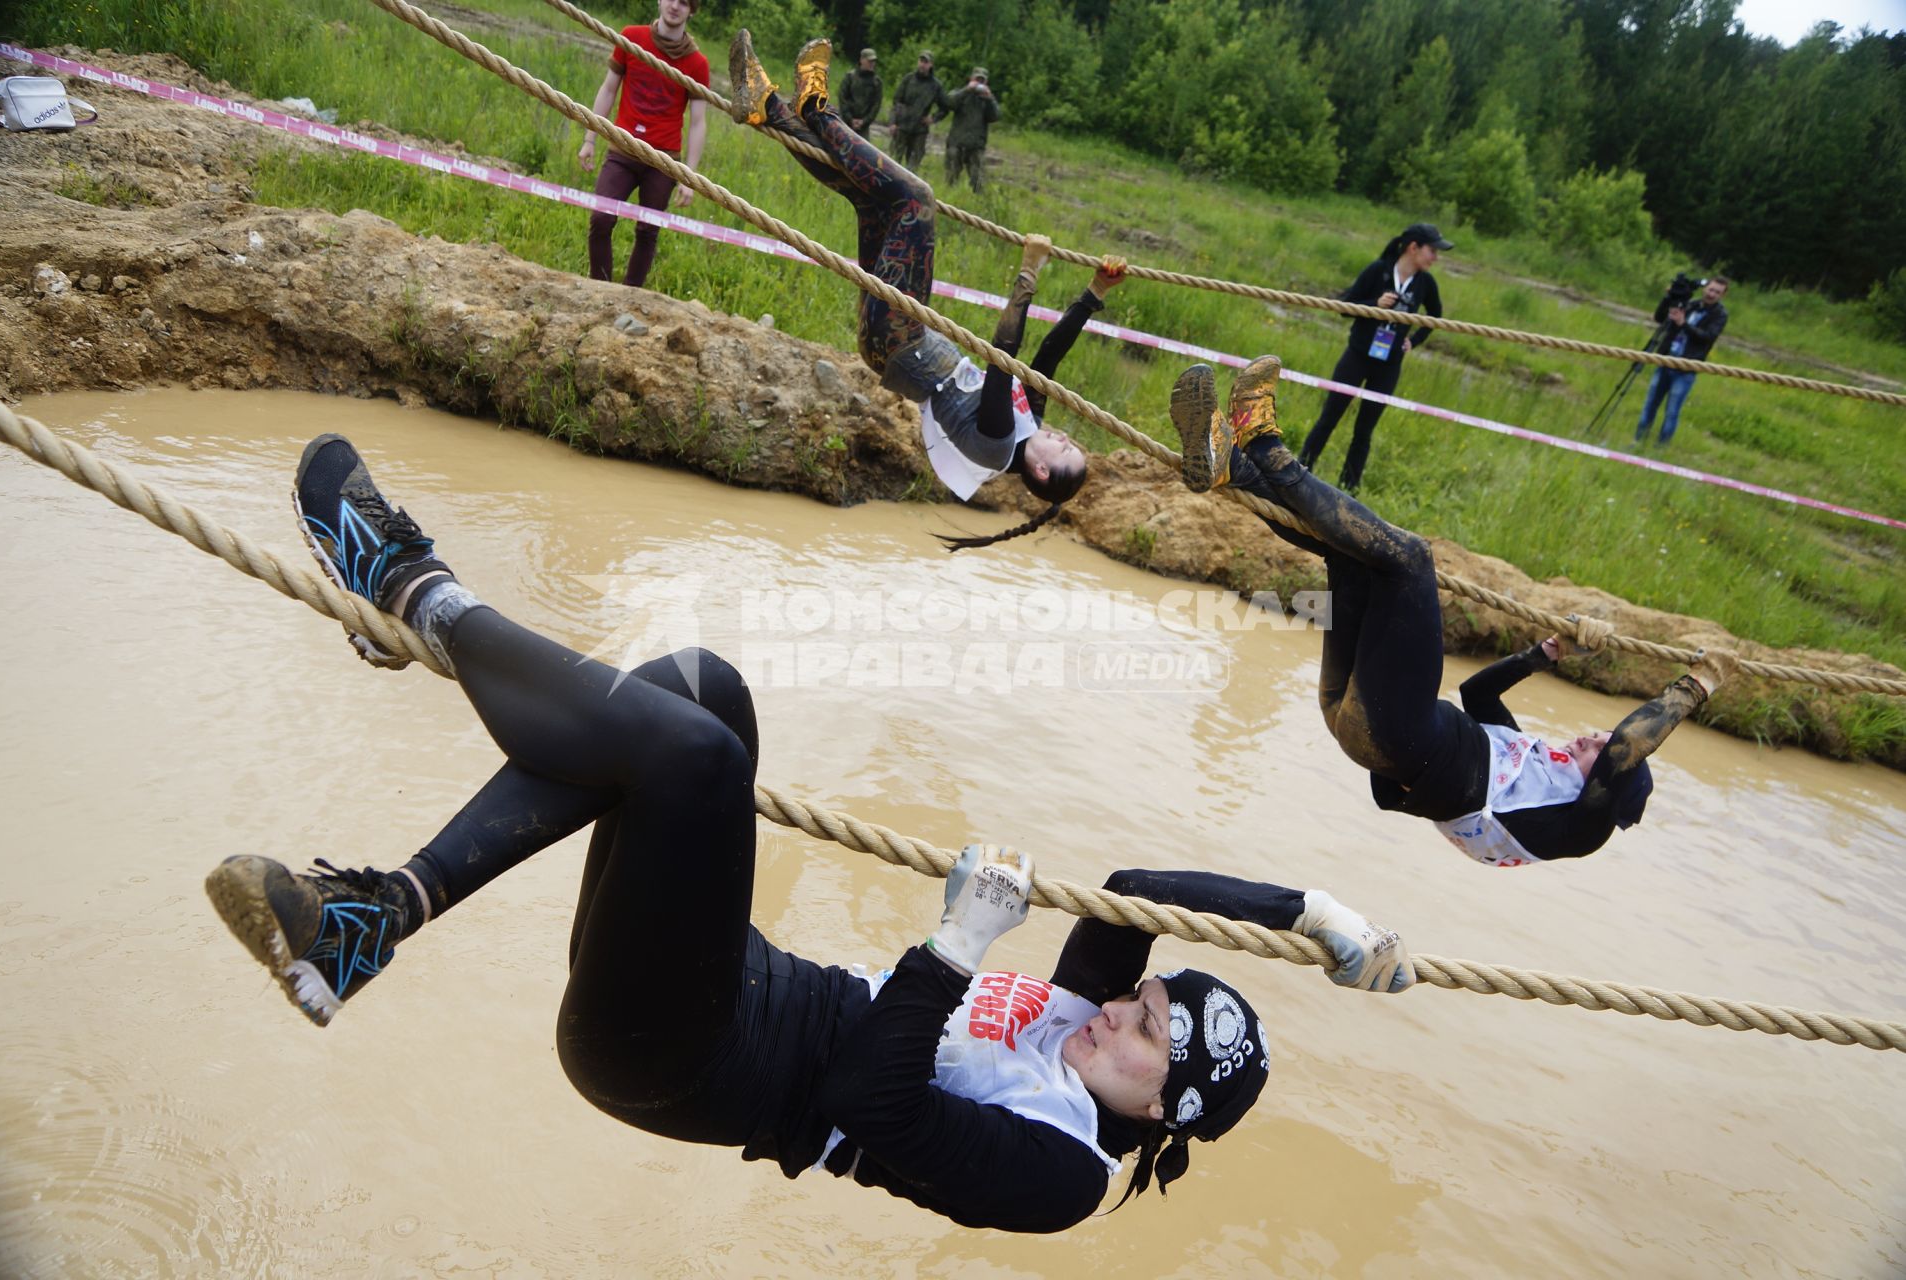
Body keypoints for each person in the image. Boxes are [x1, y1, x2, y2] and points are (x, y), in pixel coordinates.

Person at [204, 433, 1416, 1233]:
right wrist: (1305, 913)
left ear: (1165, 1110)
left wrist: (952, 946)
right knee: (702, 690)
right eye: (1139, 1001)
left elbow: (866, 1104)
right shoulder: (1075, 1025)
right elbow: (1134, 891)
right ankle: (378, 916)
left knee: (695, 759)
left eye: (1145, 1031)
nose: (1115, 1008)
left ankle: (408, 581)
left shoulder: (1059, 1168)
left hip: (691, 1060)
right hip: (736, 980)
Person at [1170, 358, 1737, 867]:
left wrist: (1696, 686)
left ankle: (1265, 443)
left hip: (1398, 735)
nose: (1594, 736)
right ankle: (1234, 470)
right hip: (1367, 726)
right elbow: (1479, 699)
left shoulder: (1580, 825)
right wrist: (1545, 655)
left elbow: (1625, 748)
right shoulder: (1527, 773)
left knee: (1411, 559)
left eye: (1600, 753)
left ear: (1609, 789)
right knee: (1353, 561)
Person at [729, 33, 1121, 549]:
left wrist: (1029, 273)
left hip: (897, 340)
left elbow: (1005, 357)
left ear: (1043, 474)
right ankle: (769, 109)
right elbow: (1050, 353)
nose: (1068, 439)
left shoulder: (999, 444)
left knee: (916, 199)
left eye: (1067, 452)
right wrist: (1094, 292)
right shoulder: (1031, 423)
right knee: (873, 202)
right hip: (900, 339)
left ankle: (815, 109)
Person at [1297, 224, 1449, 493]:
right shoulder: (1377, 270)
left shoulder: (1426, 283)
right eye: (1432, 250)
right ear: (1413, 248)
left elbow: (1435, 315)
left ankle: (1349, 490)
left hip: (1389, 366)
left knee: (1364, 431)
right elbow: (1345, 307)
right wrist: (1374, 306)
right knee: (1329, 417)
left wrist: (1413, 341)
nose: (1435, 257)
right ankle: (1299, 475)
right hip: (1357, 357)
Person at [577, 0, 710, 289]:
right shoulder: (631, 37)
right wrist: (590, 139)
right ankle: (599, 290)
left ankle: (630, 295)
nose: (676, 6)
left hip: (663, 161)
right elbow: (609, 88)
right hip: (622, 150)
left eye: (685, 2)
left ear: (692, 10)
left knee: (648, 231)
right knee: (601, 218)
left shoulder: (697, 64)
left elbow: (699, 122)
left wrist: (690, 176)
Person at [1634, 276, 1729, 447]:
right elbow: (1660, 318)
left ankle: (1660, 449)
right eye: (1710, 289)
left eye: (1717, 292)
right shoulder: (1690, 304)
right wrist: (1669, 299)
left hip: (1687, 368)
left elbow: (1707, 337)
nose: (1712, 294)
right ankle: (1638, 441)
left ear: (1722, 295)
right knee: (1650, 404)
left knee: (1672, 411)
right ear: (1704, 288)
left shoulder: (1720, 315)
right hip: (1667, 360)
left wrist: (1683, 324)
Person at [942, 67, 1000, 193]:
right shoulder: (960, 93)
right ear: (971, 78)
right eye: (977, 79)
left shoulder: (987, 99)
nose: (979, 83)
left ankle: (977, 206)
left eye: (982, 80)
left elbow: (995, 117)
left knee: (978, 181)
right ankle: (948, 203)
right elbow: (948, 103)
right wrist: (967, 90)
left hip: (976, 146)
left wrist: (989, 99)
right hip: (956, 143)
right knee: (950, 179)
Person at [889, 50, 949, 170]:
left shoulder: (935, 85)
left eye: (926, 62)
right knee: (894, 162)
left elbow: (945, 107)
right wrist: (893, 122)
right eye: (921, 61)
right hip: (902, 126)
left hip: (919, 130)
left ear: (931, 65)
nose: (922, 64)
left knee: (913, 166)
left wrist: (933, 118)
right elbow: (896, 101)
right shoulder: (909, 79)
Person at [836, 47, 883, 136]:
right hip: (846, 122)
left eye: (873, 61)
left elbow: (876, 105)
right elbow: (842, 98)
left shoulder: (876, 82)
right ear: (862, 60)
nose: (872, 64)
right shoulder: (850, 77)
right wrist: (850, 118)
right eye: (869, 61)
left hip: (864, 127)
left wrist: (864, 121)